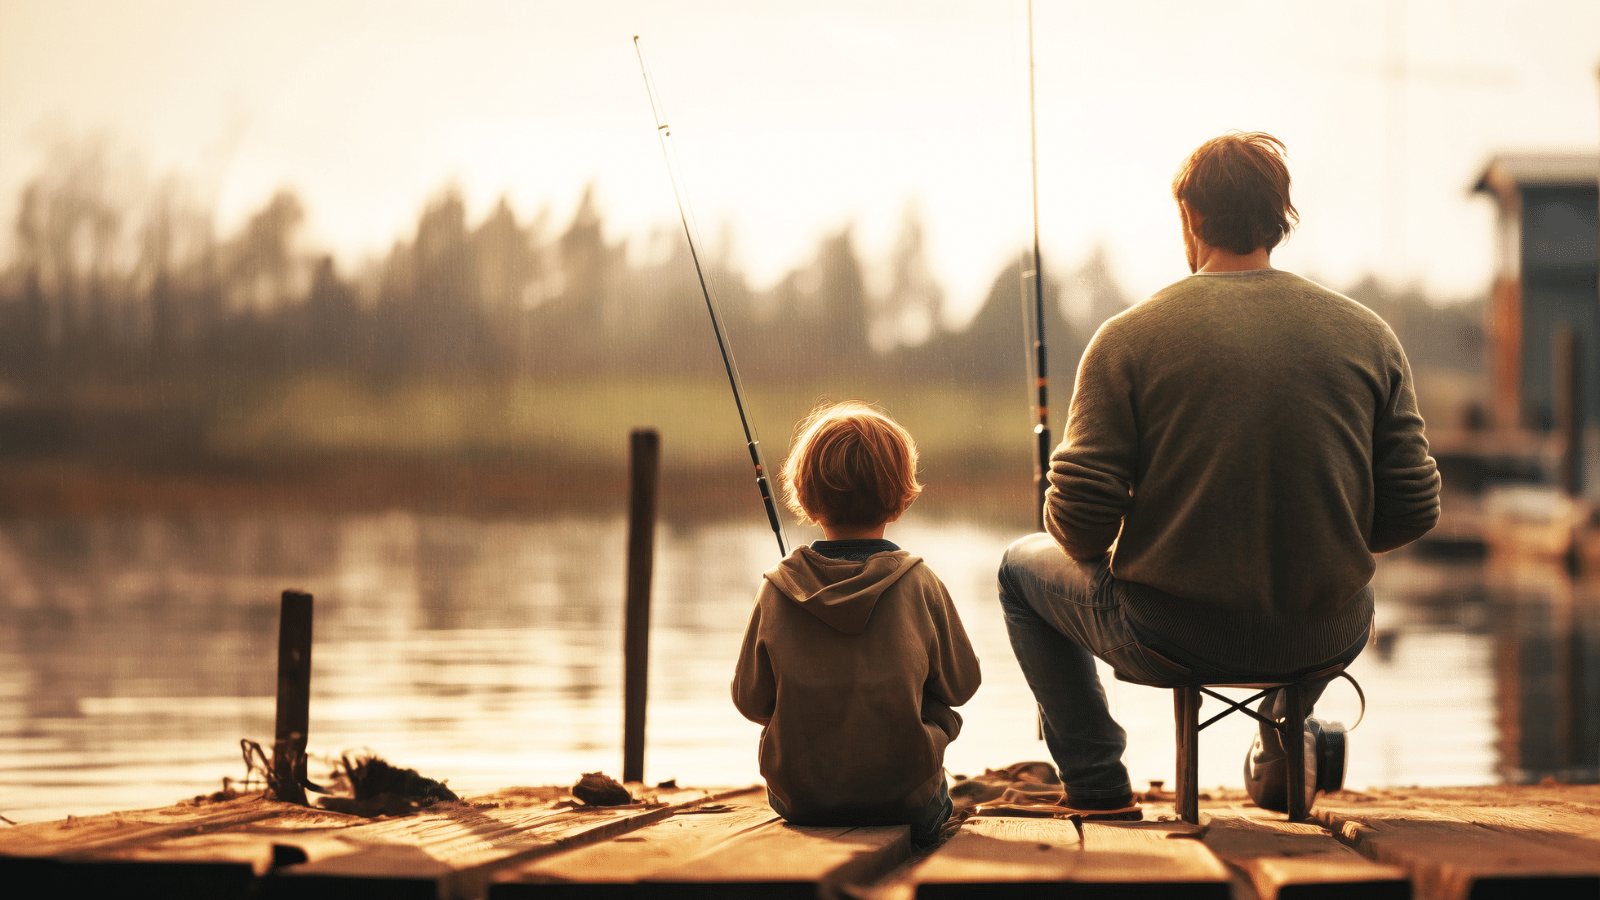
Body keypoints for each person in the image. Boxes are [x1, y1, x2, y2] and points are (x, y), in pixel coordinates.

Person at [998, 132, 1440, 818]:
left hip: (1169, 636)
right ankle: (1276, 751)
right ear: (1278, 220)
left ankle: (1096, 782)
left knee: (1017, 569)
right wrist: (1327, 545)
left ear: (1191, 219)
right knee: (1324, 595)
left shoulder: (1128, 338)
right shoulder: (1369, 334)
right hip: (1326, 631)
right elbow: (1413, 508)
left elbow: (1080, 530)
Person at [732, 400, 982, 847]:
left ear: (805, 497)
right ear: (899, 496)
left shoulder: (776, 589)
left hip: (799, 802)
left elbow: (751, 701)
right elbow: (962, 686)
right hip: (907, 803)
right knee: (940, 713)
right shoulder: (919, 582)